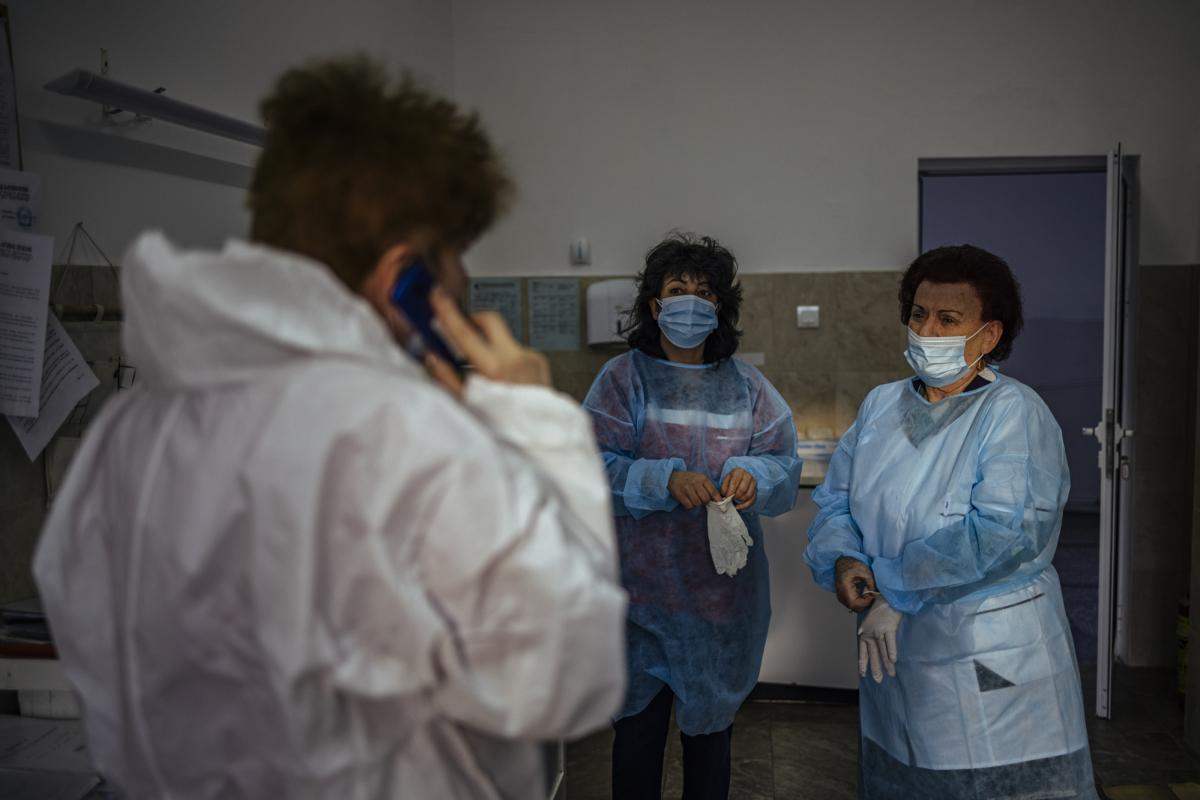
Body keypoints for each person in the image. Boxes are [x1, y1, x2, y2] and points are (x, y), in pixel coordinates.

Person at [32, 56, 628, 799]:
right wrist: (537, 422)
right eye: (457, 257)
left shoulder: (131, 430)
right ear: (403, 279)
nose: (467, 282)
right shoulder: (405, 434)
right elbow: (571, 677)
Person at [804, 244, 1097, 798]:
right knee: (909, 776)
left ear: (988, 336)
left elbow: (1003, 534)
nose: (926, 330)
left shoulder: (1014, 413)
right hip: (898, 658)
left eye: (947, 319)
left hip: (991, 655)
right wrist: (844, 557)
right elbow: (836, 501)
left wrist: (892, 585)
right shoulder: (881, 407)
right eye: (918, 314)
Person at [583, 233, 802, 800]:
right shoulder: (621, 381)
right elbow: (586, 467)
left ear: (719, 308)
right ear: (655, 305)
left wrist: (757, 476)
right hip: (638, 602)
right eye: (676, 290)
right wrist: (663, 479)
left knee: (710, 754)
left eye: (702, 292)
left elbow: (784, 464)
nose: (689, 301)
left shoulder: (747, 387)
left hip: (719, 606)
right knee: (636, 746)